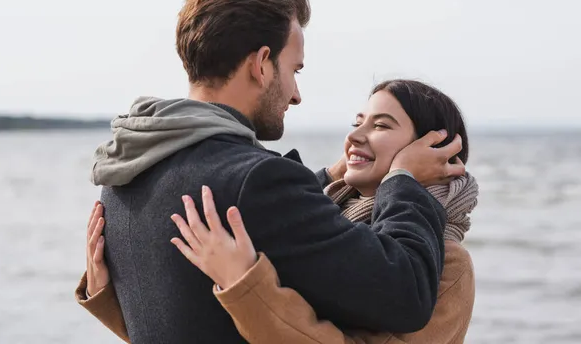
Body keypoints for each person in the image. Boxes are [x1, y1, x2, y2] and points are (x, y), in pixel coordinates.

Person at [77, 0, 465, 344]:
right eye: (294, 70)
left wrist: (331, 176)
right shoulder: (258, 182)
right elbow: (406, 295)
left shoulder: (125, 176)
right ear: (261, 64)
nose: (296, 93)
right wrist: (403, 179)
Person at [77, 79, 477, 344]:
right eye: (358, 122)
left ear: (430, 151)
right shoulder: (332, 224)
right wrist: (113, 295)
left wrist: (244, 284)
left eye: (382, 126)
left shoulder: (448, 266)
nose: (355, 135)